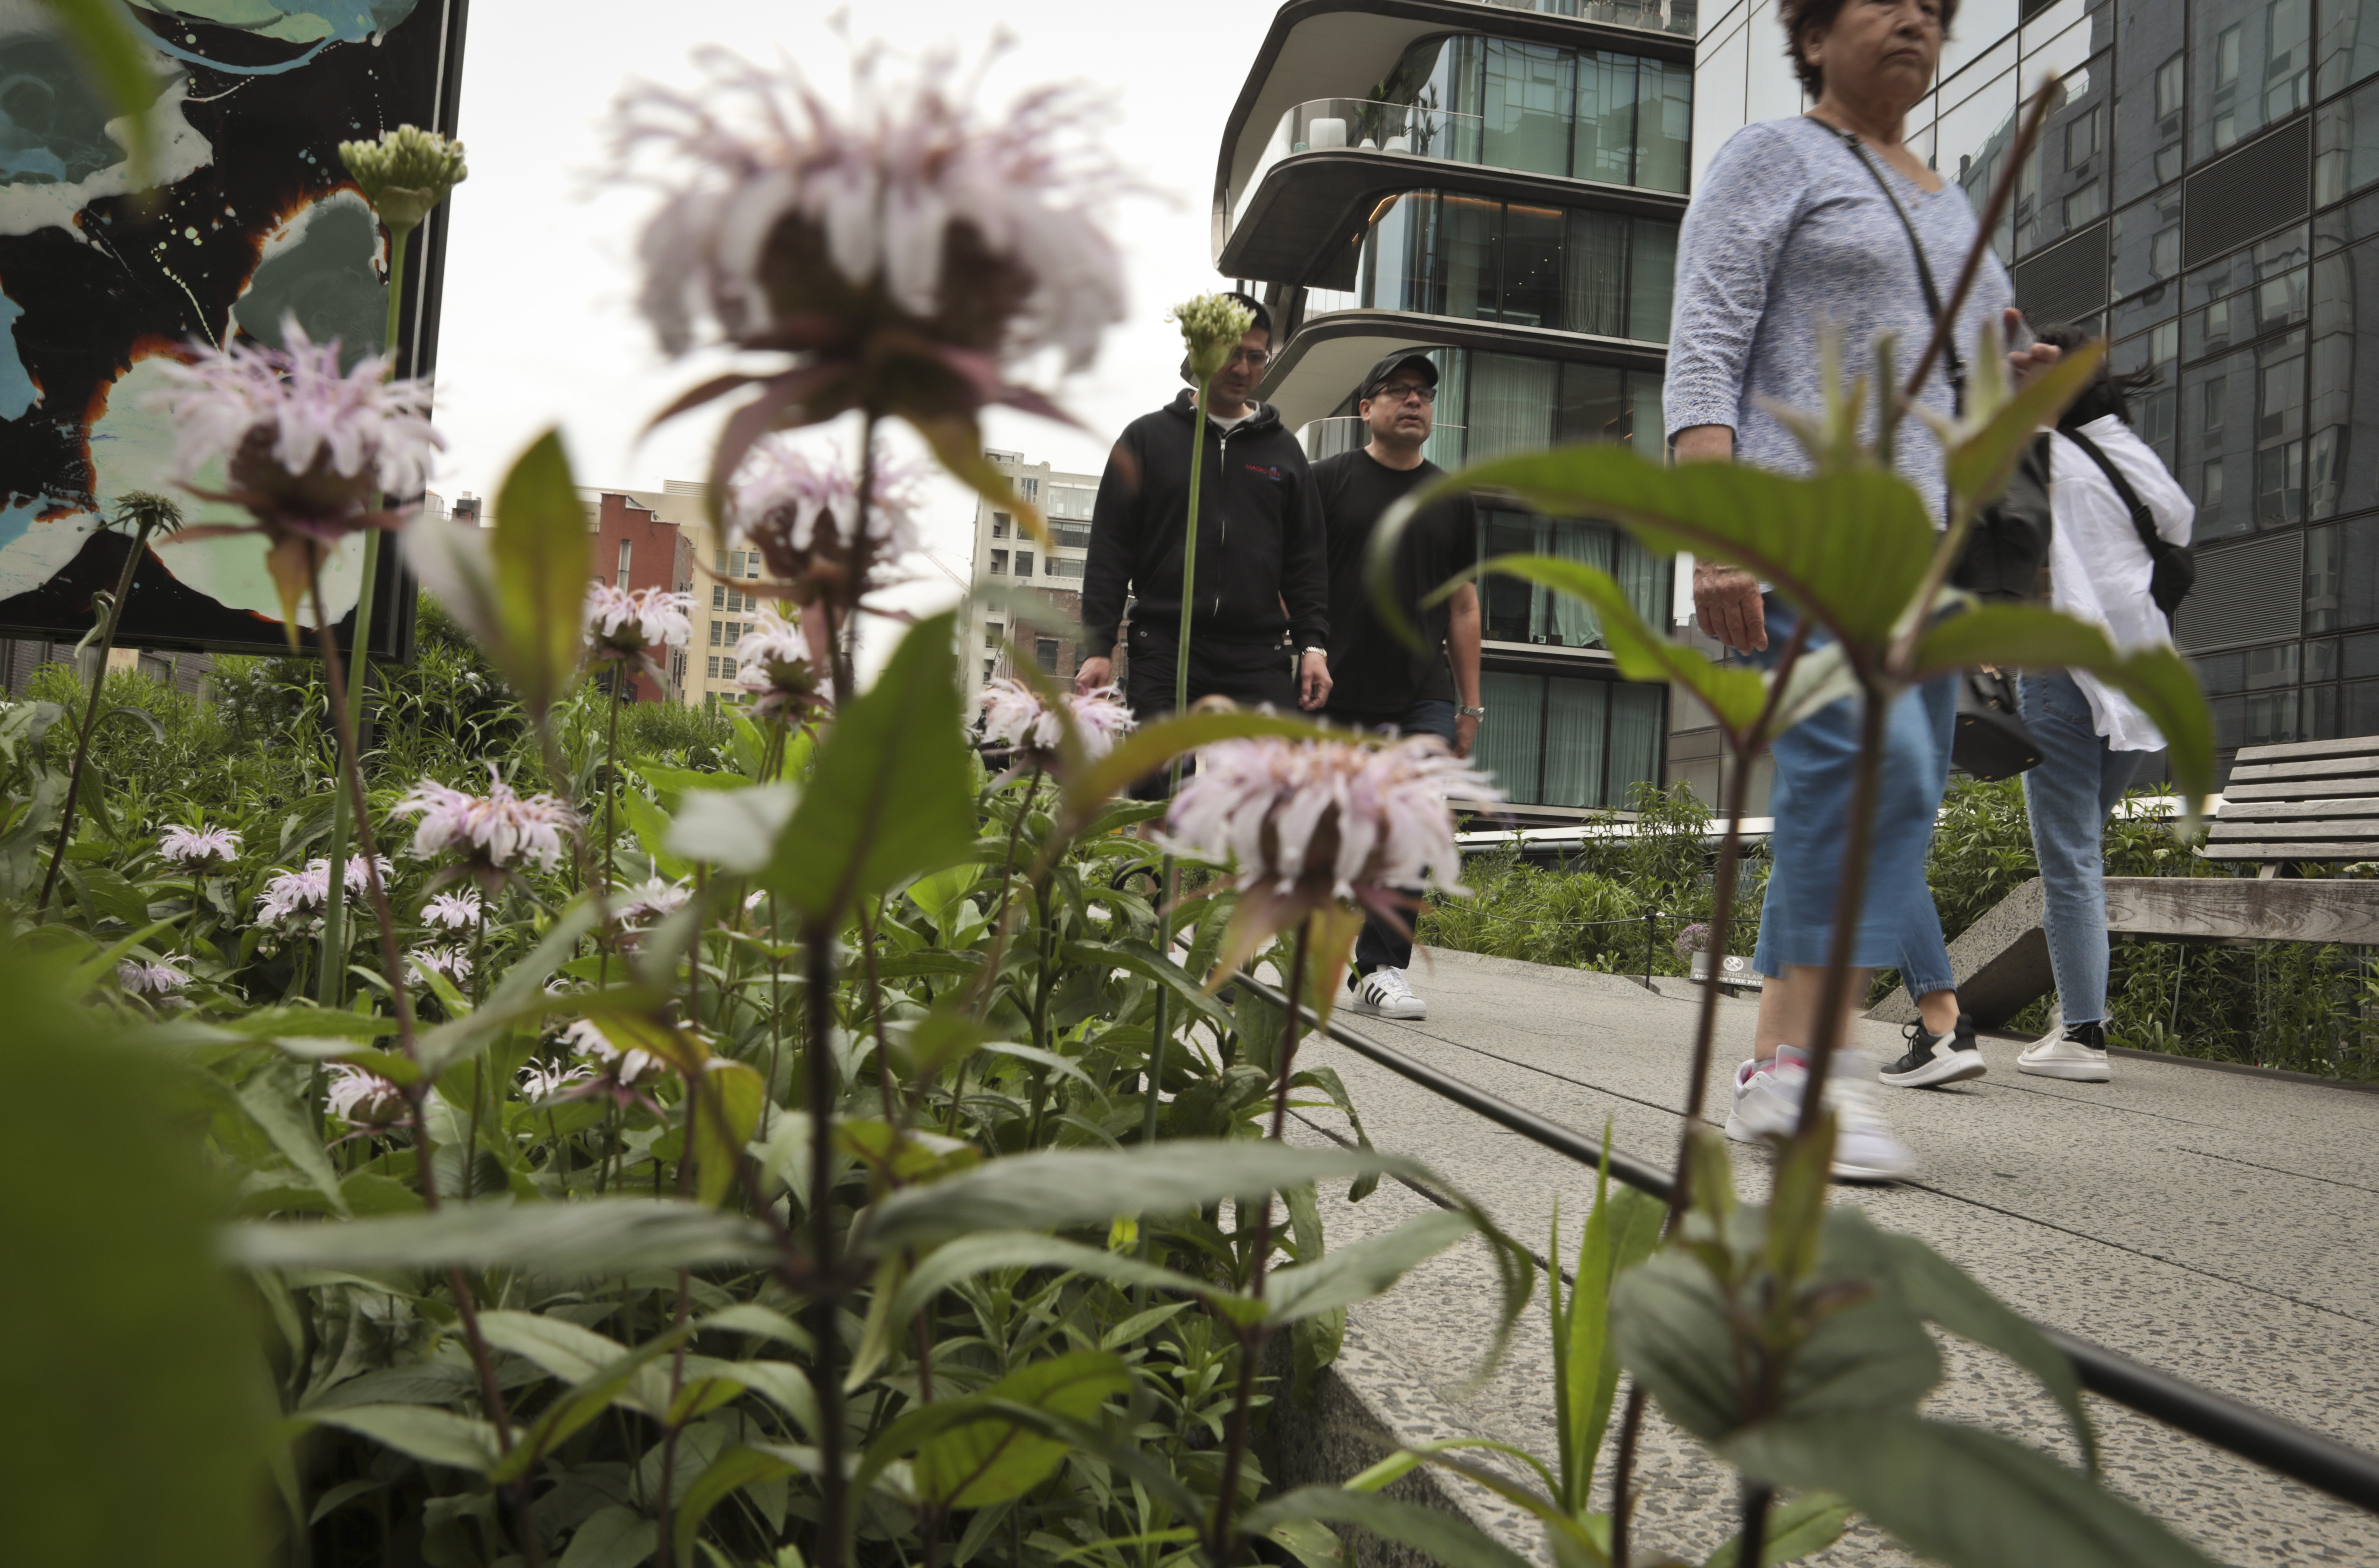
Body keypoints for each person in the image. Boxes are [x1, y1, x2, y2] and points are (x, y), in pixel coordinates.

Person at [1665, 0, 2058, 1179]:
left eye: (1933, 9)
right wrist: (1716, 536)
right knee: (1857, 767)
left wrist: (2013, 378)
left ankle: (1772, 1067)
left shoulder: (1952, 206)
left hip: (1920, 547)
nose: (1914, 20)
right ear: (1811, 33)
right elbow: (1704, 345)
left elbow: (1980, 381)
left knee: (1892, 795)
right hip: (1801, 516)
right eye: (1882, 1)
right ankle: (1792, 1075)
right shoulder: (1772, 158)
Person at [2014, 323, 2193, 1083]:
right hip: (2144, 684)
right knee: (2079, 848)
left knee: (2067, 856)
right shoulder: (2124, 456)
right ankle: (2073, 1020)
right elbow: (2177, 527)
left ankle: (2083, 1032)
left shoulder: (2042, 458)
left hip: (2061, 672)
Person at [1075, 292, 1331, 769]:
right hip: (1165, 644)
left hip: (1257, 652)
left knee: (1268, 789)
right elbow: (1110, 549)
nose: (1242, 369)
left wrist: (1312, 645)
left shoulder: (1283, 452)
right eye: (1231, 353)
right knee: (1158, 788)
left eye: (1255, 357)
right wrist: (1098, 648)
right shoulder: (1147, 439)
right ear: (1197, 351)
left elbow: (1306, 562)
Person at [1313, 351, 1483, 1021]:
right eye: (1398, 391)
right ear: (1367, 408)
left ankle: (1380, 968)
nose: (1414, 401)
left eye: (1424, 394)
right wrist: (1305, 650)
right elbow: (1291, 582)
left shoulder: (1451, 500)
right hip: (1331, 688)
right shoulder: (1325, 482)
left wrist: (1469, 703)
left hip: (1422, 688)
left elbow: (1465, 607)